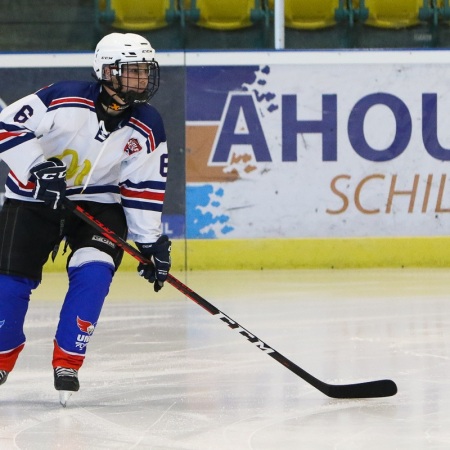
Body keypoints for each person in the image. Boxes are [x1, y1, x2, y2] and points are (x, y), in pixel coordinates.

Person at [0, 33, 171, 406]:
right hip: (33, 197)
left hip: (99, 204)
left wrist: (150, 242)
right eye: (134, 71)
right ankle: (2, 352)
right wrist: (38, 167)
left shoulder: (147, 124)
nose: (143, 79)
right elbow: (7, 126)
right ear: (108, 71)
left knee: (94, 273)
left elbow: (143, 186)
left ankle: (68, 360)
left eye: (145, 71)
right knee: (11, 284)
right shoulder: (63, 98)